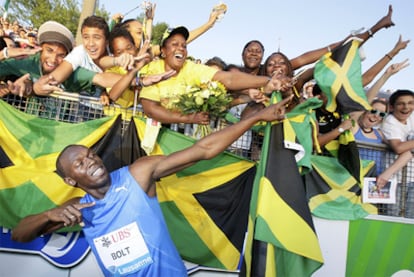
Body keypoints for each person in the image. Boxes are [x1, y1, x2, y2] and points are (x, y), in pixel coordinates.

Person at [11, 96, 292, 276]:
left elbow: (204, 149)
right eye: (80, 164)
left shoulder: (138, 174)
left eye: (90, 155)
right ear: (71, 180)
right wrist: (49, 216)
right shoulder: (78, 209)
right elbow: (20, 235)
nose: (92, 162)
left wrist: (255, 117)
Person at [139, 26, 293, 126]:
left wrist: (268, 81)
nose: (180, 48)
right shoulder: (153, 69)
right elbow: (151, 109)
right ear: (163, 51)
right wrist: (189, 119)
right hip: (150, 130)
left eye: (184, 46)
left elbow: (229, 79)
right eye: (174, 44)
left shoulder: (192, 68)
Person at [381, 89, 414, 218]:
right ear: (391, 107)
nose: (406, 107)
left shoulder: (411, 116)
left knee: (411, 219)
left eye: (410, 103)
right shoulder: (390, 121)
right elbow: (398, 148)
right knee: (392, 217)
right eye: (401, 104)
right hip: (394, 179)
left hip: (412, 178)